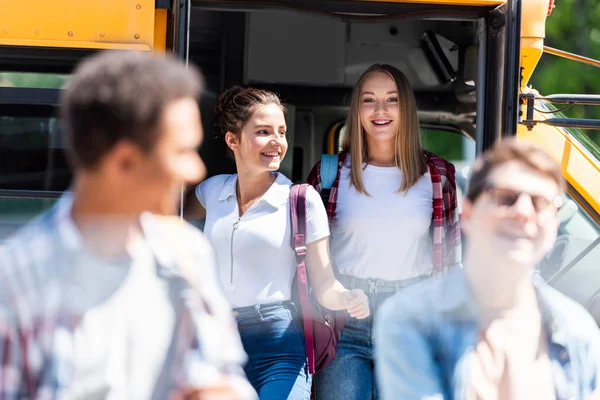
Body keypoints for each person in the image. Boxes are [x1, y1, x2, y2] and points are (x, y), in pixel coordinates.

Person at [0, 51, 255, 400]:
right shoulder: (17, 282)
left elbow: (224, 375)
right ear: (124, 162)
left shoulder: (186, 255)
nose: (195, 170)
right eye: (182, 152)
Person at [375, 139, 600, 400]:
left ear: (553, 227)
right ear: (467, 214)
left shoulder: (577, 330)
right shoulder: (411, 319)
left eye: (540, 203)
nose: (524, 212)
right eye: (506, 198)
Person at [185, 86, 370, 400]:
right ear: (233, 141)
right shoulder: (211, 192)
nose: (277, 142)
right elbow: (171, 225)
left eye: (281, 132)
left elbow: (325, 283)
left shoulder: (300, 200)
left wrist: (348, 296)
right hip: (218, 343)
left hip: (280, 342)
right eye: (263, 131)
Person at [306, 63, 461, 399]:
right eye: (369, 100)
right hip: (344, 321)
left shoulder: (439, 175)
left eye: (391, 100)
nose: (380, 110)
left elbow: (450, 262)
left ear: (405, 107)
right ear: (356, 109)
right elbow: (306, 260)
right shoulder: (328, 174)